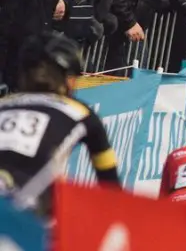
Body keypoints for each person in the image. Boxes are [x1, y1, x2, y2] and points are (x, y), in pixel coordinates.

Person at [0, 33, 120, 213]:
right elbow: (110, 185)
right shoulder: (80, 111)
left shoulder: (4, 103)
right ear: (66, 78)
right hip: (25, 209)